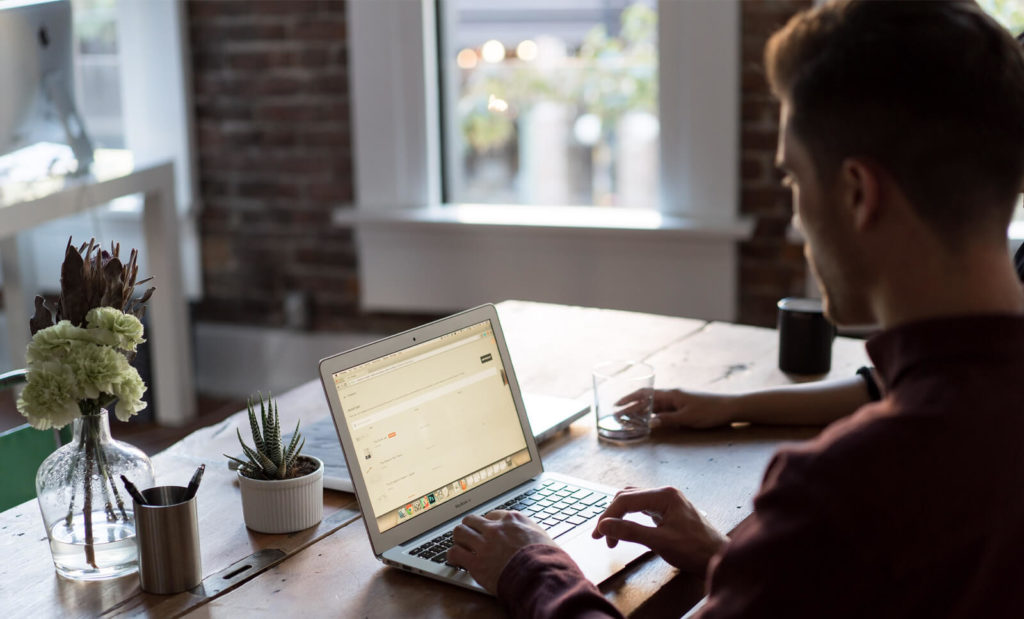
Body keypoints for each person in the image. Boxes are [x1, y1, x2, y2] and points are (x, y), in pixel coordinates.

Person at [446, 1, 1024, 617]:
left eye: (795, 181)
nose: (798, 223)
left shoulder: (847, 488)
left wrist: (531, 568)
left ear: (857, 194)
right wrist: (737, 563)